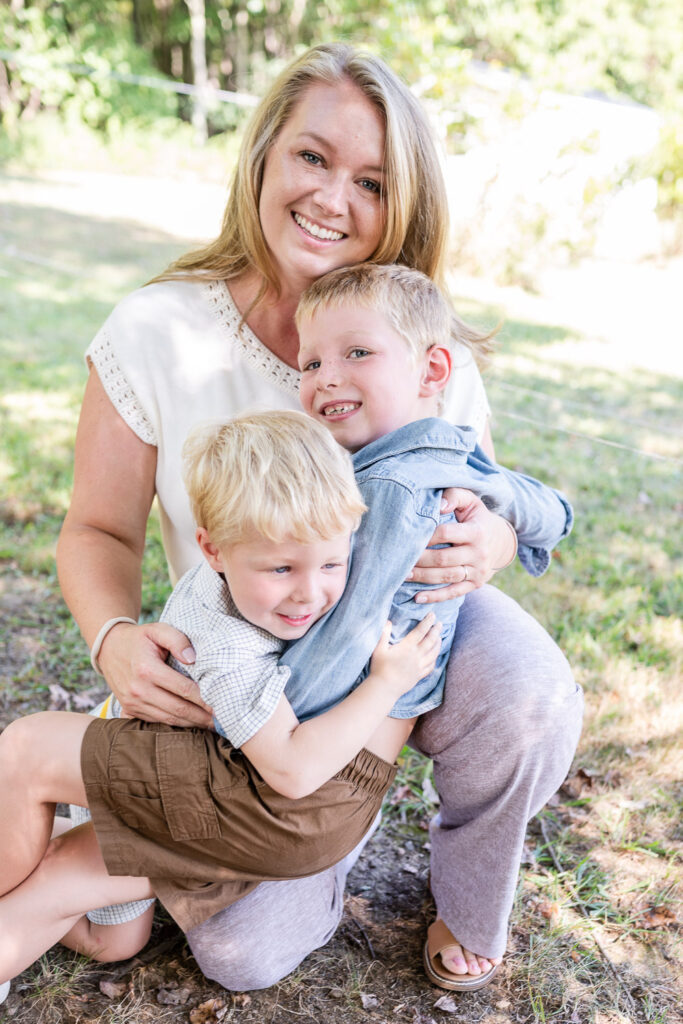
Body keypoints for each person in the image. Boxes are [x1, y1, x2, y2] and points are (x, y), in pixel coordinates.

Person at [53, 41, 583, 991]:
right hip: (261, 663)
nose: (333, 198)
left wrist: (497, 537)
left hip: (397, 646)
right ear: (262, 156)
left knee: (529, 692)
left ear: (403, 204)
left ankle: (465, 897)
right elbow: (98, 529)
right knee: (240, 952)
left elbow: (481, 486)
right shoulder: (156, 329)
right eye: (311, 156)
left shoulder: (421, 344)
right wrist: (115, 640)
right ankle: (310, 837)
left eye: (371, 182)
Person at [0, 264, 572, 996]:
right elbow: (548, 508)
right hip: (323, 778)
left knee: (26, 749)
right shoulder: (433, 459)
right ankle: (80, 901)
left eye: (356, 353)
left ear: (432, 370)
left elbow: (307, 713)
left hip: (284, 774)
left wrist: (493, 540)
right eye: (310, 363)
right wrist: (520, 520)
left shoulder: (385, 494)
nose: (327, 377)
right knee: (113, 911)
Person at [0, 410, 443, 987]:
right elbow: (292, 768)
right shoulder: (223, 642)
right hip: (158, 779)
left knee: (105, 921)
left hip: (191, 794)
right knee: (105, 928)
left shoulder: (261, 592)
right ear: (211, 550)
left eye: (333, 563)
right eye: (281, 568)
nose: (310, 593)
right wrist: (385, 683)